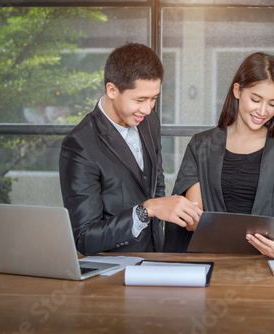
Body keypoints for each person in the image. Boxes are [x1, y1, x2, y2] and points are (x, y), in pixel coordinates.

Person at [164, 52, 274, 259]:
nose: (262, 111)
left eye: (272, 103)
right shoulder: (202, 145)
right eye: (255, 99)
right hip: (211, 261)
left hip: (268, 263)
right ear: (237, 90)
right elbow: (192, 220)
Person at [59, 43, 202, 255]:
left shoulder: (149, 120)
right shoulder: (79, 144)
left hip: (155, 258)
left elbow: (156, 184)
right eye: (140, 99)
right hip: (112, 271)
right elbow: (84, 238)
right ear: (112, 90)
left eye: (153, 98)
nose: (147, 109)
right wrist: (148, 210)